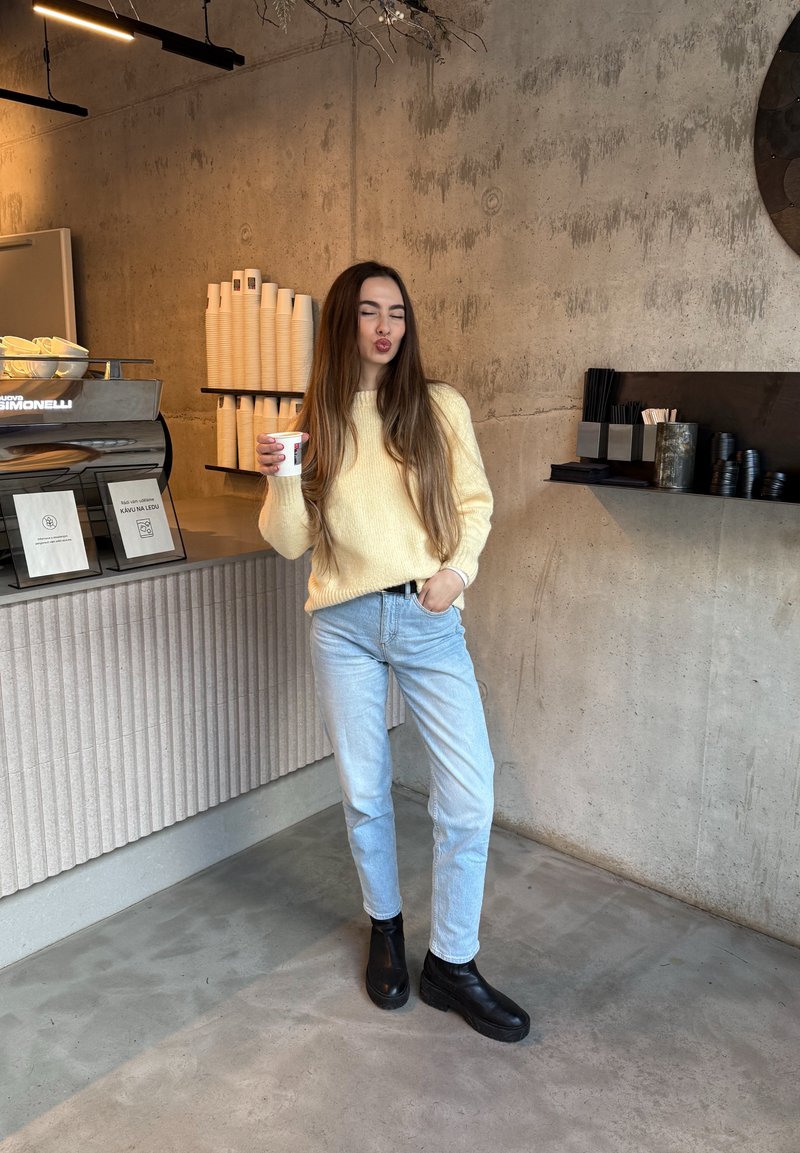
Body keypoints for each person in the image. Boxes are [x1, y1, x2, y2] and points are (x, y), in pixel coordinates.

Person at [256, 261, 529, 1043]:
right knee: (367, 792)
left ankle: (452, 963)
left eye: (397, 312)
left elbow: (474, 503)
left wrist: (456, 572)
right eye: (370, 311)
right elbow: (287, 544)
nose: (385, 326)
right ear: (345, 322)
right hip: (342, 625)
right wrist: (281, 479)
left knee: (469, 795)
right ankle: (386, 927)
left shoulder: (439, 405)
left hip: (426, 615)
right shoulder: (318, 420)